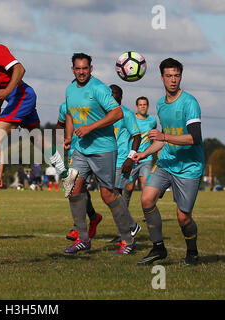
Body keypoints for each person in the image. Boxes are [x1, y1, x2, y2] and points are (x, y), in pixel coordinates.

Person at [0, 21, 78, 211]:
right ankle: (65, 173)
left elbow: (20, 69)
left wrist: (7, 92)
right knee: (36, 137)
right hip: (15, 97)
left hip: (21, 95)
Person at [63, 53, 136, 255]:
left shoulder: (99, 88)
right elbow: (70, 113)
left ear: (91, 68)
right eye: (77, 68)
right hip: (81, 149)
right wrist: (69, 136)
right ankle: (83, 239)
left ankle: (128, 239)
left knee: (107, 194)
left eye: (85, 68)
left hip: (103, 148)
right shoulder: (70, 89)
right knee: (72, 187)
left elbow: (117, 113)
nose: (81, 72)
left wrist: (90, 127)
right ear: (72, 70)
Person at [133, 58, 204, 265]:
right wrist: (144, 154)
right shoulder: (160, 104)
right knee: (146, 199)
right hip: (166, 162)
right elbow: (164, 136)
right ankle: (158, 248)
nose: (173, 80)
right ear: (162, 77)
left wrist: (164, 138)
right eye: (169, 76)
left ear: (181, 76)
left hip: (189, 167)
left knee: (183, 218)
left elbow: (194, 138)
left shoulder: (190, 103)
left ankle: (192, 252)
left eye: (177, 76)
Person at [57, 101, 102, 241]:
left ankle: (78, 227)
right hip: (73, 152)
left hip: (92, 150)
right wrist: (59, 141)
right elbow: (59, 126)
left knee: (78, 189)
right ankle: (92, 218)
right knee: (77, 188)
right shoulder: (64, 106)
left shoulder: (92, 103)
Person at [108, 84, 142, 243]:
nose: (112, 97)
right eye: (110, 94)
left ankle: (131, 226)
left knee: (114, 194)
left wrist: (130, 157)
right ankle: (125, 231)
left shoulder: (126, 114)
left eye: (115, 94)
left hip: (122, 161)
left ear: (120, 97)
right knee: (111, 195)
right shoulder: (104, 114)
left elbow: (137, 136)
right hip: (107, 159)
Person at [123, 96, 157, 206]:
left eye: (145, 105)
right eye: (140, 105)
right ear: (136, 107)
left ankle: (148, 214)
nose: (142, 107)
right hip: (132, 158)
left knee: (145, 186)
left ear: (148, 106)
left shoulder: (152, 120)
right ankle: (124, 212)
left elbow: (154, 136)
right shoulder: (131, 118)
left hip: (146, 158)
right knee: (129, 187)